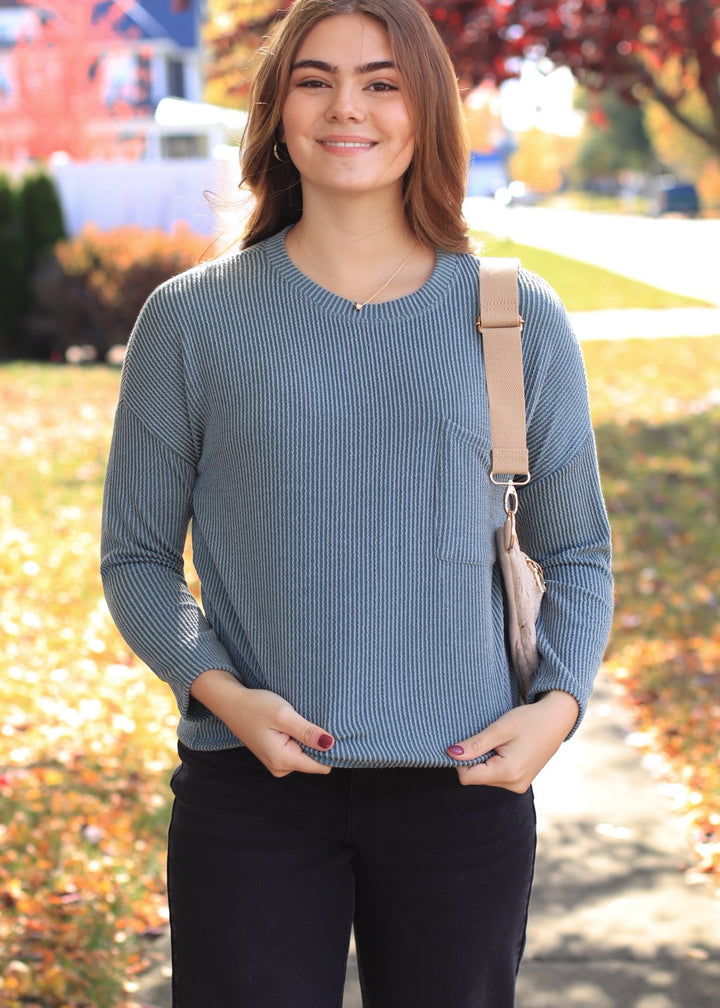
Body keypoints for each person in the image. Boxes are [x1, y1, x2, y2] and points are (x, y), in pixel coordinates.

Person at [101, 1, 613, 1005]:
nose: (350, 108)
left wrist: (557, 706)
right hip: (252, 792)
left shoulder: (514, 316)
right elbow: (137, 557)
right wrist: (220, 691)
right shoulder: (192, 321)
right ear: (277, 110)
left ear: (425, 109)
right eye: (316, 79)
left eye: (381, 81)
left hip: (464, 795)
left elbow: (579, 549)